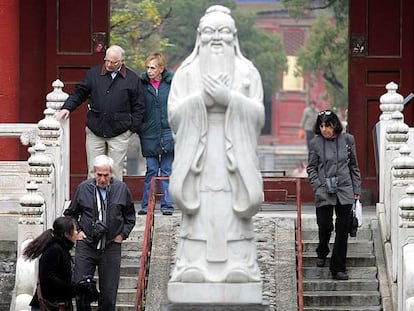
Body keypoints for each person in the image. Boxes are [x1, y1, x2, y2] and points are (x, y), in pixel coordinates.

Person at [167, 5, 264, 284]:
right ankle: (191, 264)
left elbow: (258, 117)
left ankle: (240, 264)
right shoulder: (186, 73)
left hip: (234, 154)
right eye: (210, 32)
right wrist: (201, 102)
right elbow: (174, 116)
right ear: (200, 37)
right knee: (200, 209)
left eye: (223, 32)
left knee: (233, 206)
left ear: (234, 36)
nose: (217, 38)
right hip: (199, 154)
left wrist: (229, 99)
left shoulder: (248, 71)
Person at [56, 45, 145, 181]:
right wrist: (66, 108)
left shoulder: (132, 79)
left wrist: (131, 129)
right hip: (95, 129)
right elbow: (80, 93)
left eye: (113, 62)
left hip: (120, 132)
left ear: (121, 61)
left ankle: (115, 202)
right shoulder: (93, 74)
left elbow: (139, 106)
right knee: (93, 170)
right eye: (107, 60)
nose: (109, 64)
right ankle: (93, 201)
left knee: (115, 172)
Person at [63, 155, 136, 310]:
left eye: (106, 175)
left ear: (112, 174)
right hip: (86, 245)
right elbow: (71, 214)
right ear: (93, 173)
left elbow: (130, 217)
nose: (102, 179)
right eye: (99, 175)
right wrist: (78, 231)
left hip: (111, 247)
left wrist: (122, 235)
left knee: (109, 295)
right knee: (81, 290)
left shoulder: (121, 189)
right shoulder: (83, 188)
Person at [306, 110, 361, 281]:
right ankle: (322, 250)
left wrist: (356, 189)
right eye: (321, 126)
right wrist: (318, 186)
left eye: (327, 126)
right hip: (324, 190)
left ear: (335, 125)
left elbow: (354, 166)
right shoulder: (315, 143)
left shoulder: (348, 140)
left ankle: (338, 268)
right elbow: (311, 168)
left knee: (342, 229)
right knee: (325, 225)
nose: (324, 129)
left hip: (345, 190)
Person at [137, 52, 174, 216]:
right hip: (149, 133)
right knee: (151, 170)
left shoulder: (171, 85)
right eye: (148, 68)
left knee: (167, 171)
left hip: (168, 132)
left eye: (153, 68)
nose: (149, 71)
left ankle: (167, 204)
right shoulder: (142, 85)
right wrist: (141, 127)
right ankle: (147, 205)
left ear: (161, 68)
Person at [23, 216, 79, 310]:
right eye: (75, 230)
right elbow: (48, 279)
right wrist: (72, 289)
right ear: (66, 234)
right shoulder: (54, 250)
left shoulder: (62, 249)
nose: (77, 233)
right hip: (48, 305)